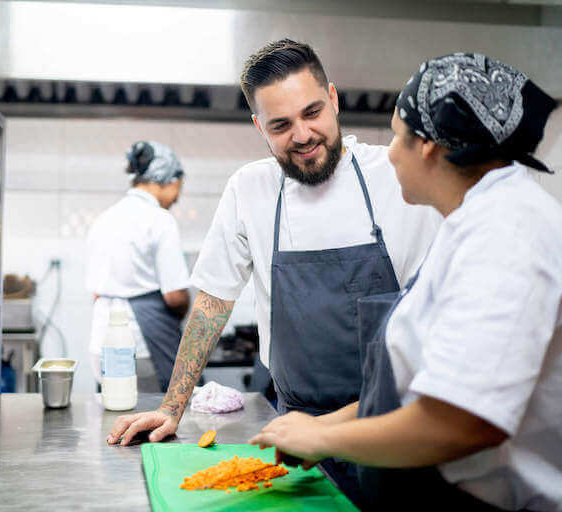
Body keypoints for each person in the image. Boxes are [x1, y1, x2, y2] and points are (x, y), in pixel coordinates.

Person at [107, 39, 440, 501]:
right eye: (280, 125)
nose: (302, 135)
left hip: (390, 426)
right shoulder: (250, 189)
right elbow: (211, 303)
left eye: (313, 112)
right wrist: (172, 407)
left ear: (335, 99)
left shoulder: (396, 176)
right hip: (295, 435)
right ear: (258, 126)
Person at [249, 53, 561, 510]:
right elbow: (423, 386)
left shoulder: (506, 234)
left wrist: (325, 440)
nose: (391, 152)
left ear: (430, 145)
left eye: (397, 136)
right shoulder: (471, 224)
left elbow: (463, 423)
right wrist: (324, 425)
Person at [86, 141, 190, 393]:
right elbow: (174, 295)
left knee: (114, 412)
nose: (176, 197)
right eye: (178, 187)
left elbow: (97, 293)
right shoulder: (160, 221)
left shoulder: (103, 219)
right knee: (152, 416)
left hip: (101, 340)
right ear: (168, 180)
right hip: (143, 345)